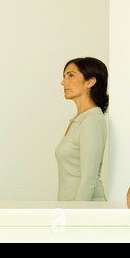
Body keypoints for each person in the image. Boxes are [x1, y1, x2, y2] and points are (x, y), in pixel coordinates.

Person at [55, 57, 108, 201]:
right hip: (69, 212)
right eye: (64, 76)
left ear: (90, 81)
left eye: (71, 75)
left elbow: (89, 180)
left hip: (83, 213)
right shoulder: (78, 121)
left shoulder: (92, 121)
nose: (63, 82)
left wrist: (77, 216)